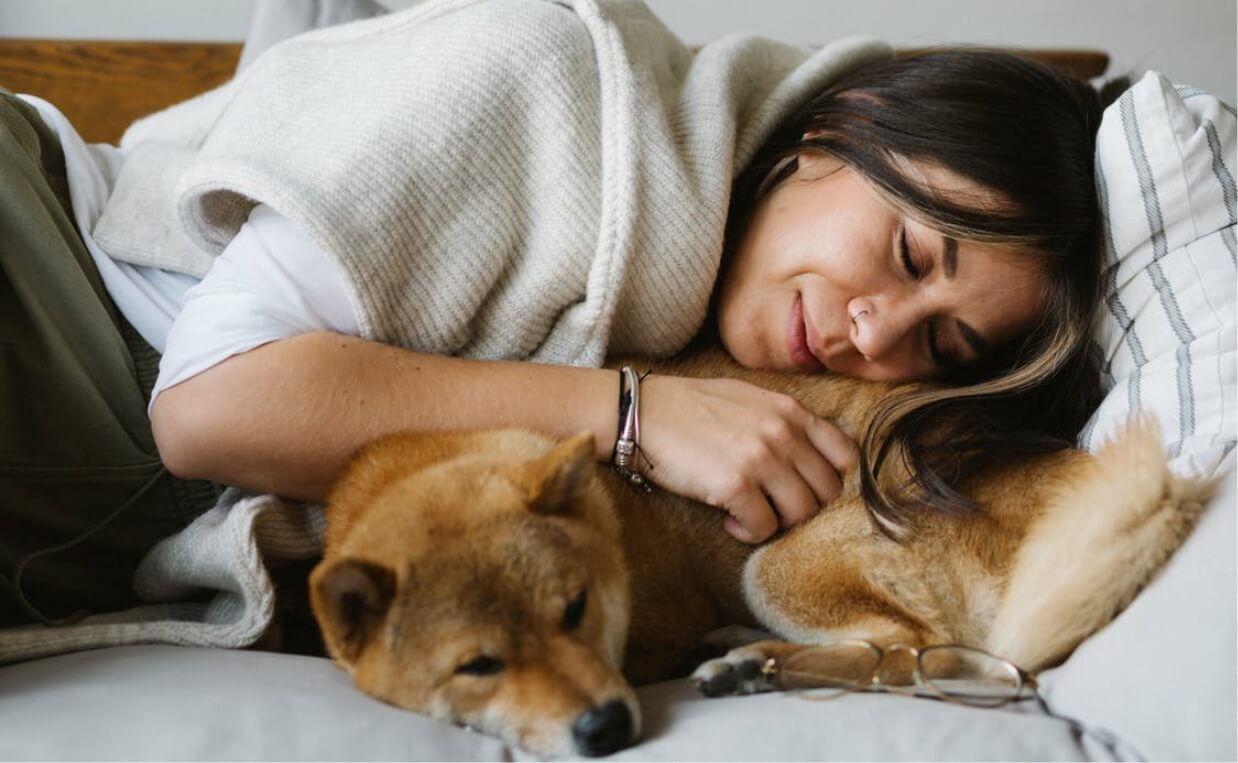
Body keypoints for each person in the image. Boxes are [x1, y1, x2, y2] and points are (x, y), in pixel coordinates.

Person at [0, 0, 1118, 629]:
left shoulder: (714, 309)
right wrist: (632, 411)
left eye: (938, 341)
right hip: (54, 277)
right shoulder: (543, 81)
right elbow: (209, 407)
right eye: (909, 251)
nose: (874, 334)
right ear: (839, 130)